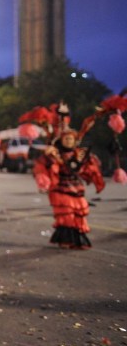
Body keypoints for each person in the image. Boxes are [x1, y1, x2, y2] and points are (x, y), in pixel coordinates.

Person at [26, 103, 106, 249]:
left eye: (71, 139)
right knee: (66, 214)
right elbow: (43, 166)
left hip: (76, 188)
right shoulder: (55, 154)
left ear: (74, 141)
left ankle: (77, 240)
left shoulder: (79, 154)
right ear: (61, 140)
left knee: (79, 214)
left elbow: (87, 167)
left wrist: (96, 116)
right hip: (61, 188)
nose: (68, 141)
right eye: (66, 139)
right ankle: (66, 240)